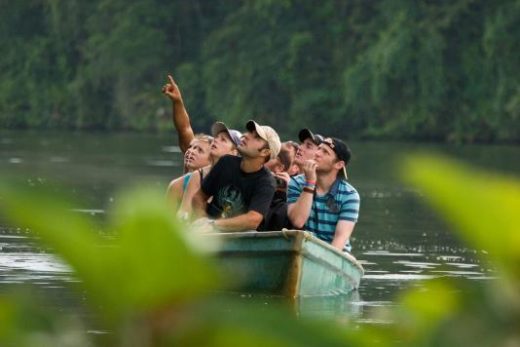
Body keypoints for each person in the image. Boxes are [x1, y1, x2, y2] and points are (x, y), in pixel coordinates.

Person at [190, 120, 281, 232]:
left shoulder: (267, 182)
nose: (246, 136)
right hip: (208, 233)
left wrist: (213, 225)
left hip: (240, 239)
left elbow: (253, 220)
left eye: (256, 137)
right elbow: (198, 197)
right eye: (249, 132)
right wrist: (202, 221)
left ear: (265, 152)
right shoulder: (226, 162)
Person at [287, 137, 360, 252]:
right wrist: (310, 184)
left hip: (336, 254)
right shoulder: (296, 183)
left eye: (325, 152)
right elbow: (298, 221)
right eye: (319, 149)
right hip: (304, 250)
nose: (317, 153)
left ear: (339, 165)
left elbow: (339, 240)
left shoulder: (349, 195)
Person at [177, 122, 241, 216]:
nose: (216, 140)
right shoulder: (198, 175)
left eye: (223, 140)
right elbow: (184, 212)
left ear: (234, 152)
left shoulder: (243, 178)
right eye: (217, 137)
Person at [166, 134, 212, 204]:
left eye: (200, 150)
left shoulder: (219, 185)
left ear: (212, 160)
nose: (191, 151)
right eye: (190, 147)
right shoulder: (176, 185)